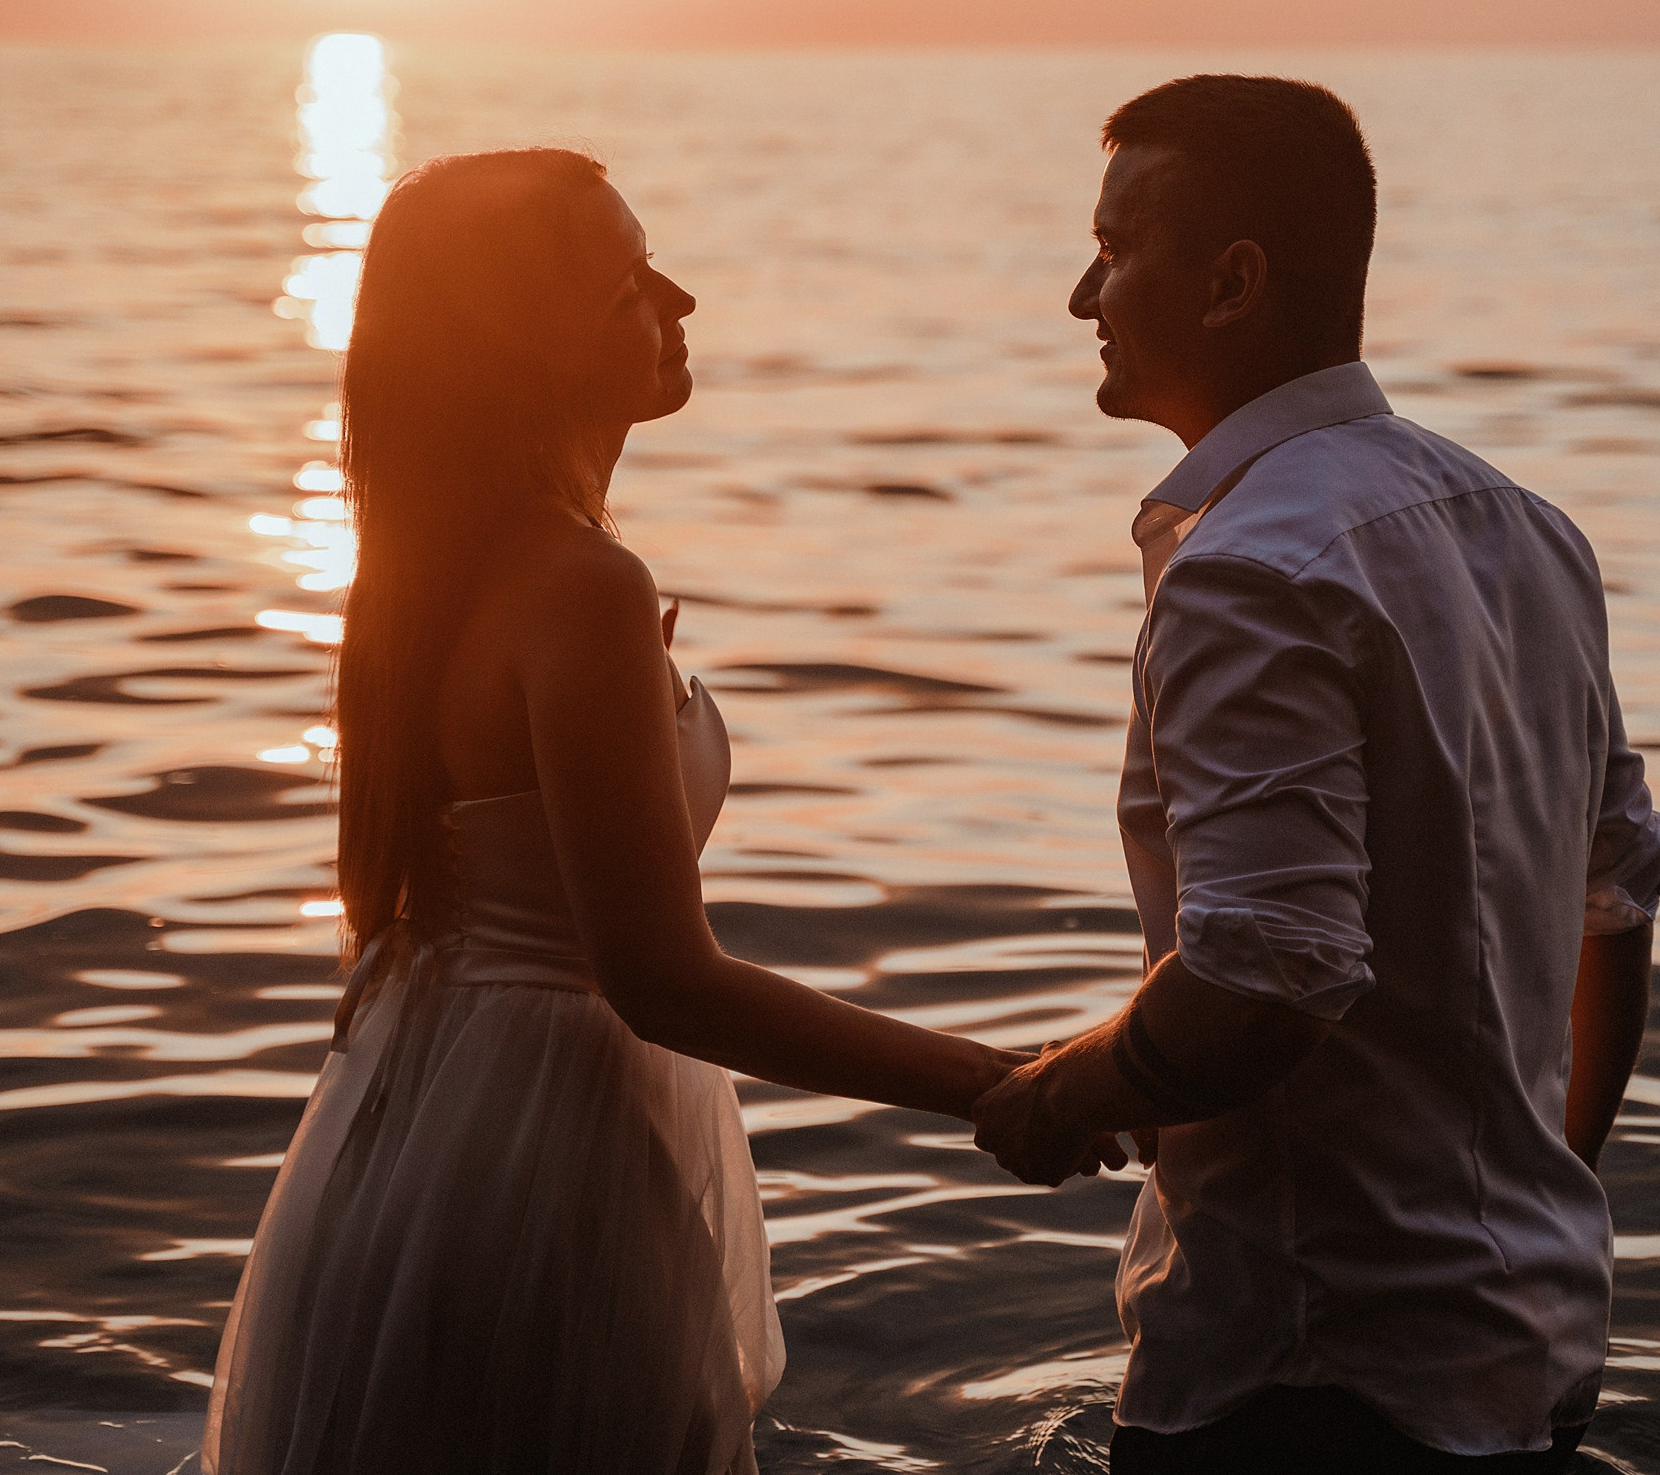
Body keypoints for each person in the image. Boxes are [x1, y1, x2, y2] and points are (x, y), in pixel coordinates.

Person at [204, 149, 1036, 1475]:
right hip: (548, 1148)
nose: (683, 299)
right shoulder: (575, 584)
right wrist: (994, 1080)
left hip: (419, 1122)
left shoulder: (434, 574)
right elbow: (661, 977)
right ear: (530, 338)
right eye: (629, 282)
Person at [971, 76, 1660, 1472]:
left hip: (1306, 1376)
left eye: (1115, 248)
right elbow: (1615, 900)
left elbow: (1268, 978)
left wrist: (1065, 1088)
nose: (1081, 292)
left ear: (1232, 283)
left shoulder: (1250, 568)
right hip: (1529, 1335)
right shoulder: (1528, 527)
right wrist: (1538, 1195)